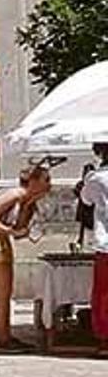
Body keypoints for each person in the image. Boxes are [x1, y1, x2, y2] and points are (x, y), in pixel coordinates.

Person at [0, 165, 52, 351]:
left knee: (5, 292)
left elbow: (20, 229)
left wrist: (29, 206)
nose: (49, 184)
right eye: (45, 180)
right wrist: (9, 231)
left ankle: (5, 335)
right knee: (2, 293)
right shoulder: (14, 194)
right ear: (33, 180)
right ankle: (3, 339)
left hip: (1, 242)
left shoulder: (25, 199)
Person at [79, 142, 108, 353]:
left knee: (104, 292)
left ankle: (105, 337)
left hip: (106, 243)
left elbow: (86, 200)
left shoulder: (96, 178)